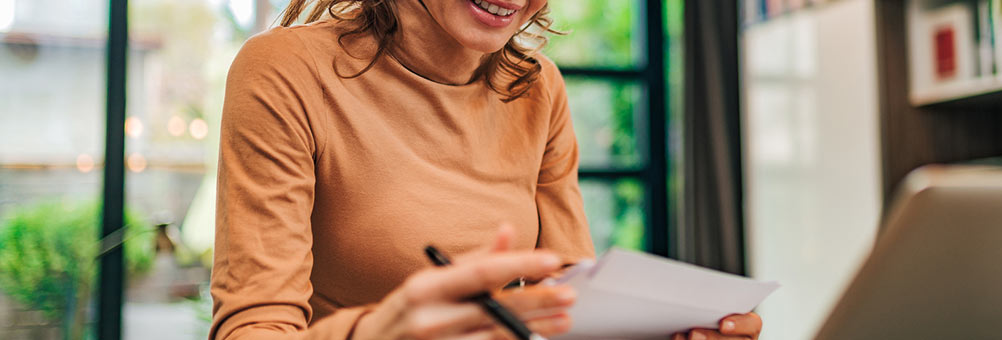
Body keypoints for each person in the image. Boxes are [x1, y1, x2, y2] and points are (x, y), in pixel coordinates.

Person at [208, 0, 762, 339]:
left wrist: (662, 329)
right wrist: (386, 331)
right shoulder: (285, 70)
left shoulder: (537, 88)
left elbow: (570, 306)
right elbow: (251, 329)